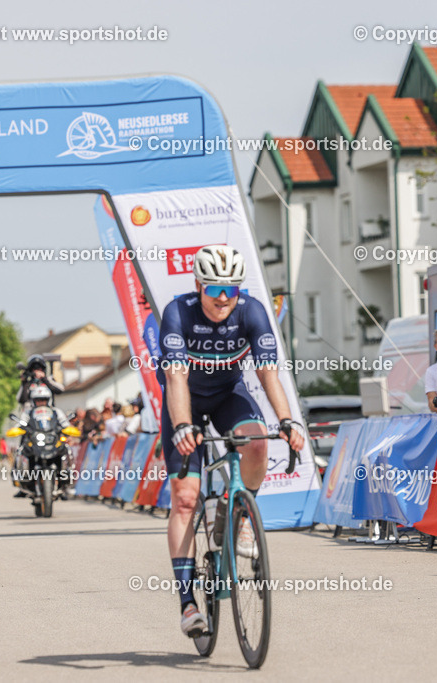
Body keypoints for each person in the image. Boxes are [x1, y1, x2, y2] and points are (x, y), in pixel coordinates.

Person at [158, 244, 306, 638]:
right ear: (198, 285)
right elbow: (175, 378)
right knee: (186, 499)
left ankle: (239, 513)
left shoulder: (252, 311)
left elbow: (268, 374)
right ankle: (188, 603)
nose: (223, 298)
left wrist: (288, 420)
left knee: (257, 443)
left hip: (227, 394)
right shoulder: (178, 312)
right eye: (214, 290)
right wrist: (184, 426)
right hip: (184, 398)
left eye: (231, 289)